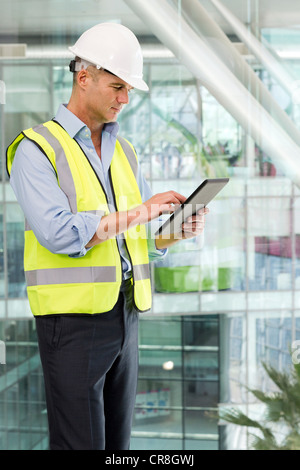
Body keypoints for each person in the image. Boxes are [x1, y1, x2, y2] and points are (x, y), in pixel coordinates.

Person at [6, 23, 208, 450]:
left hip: (125, 317)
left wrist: (169, 236)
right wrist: (142, 212)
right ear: (84, 77)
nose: (125, 99)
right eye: (117, 86)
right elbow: (60, 233)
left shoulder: (125, 151)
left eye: (129, 89)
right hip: (72, 325)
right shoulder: (35, 149)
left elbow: (130, 236)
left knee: (118, 446)